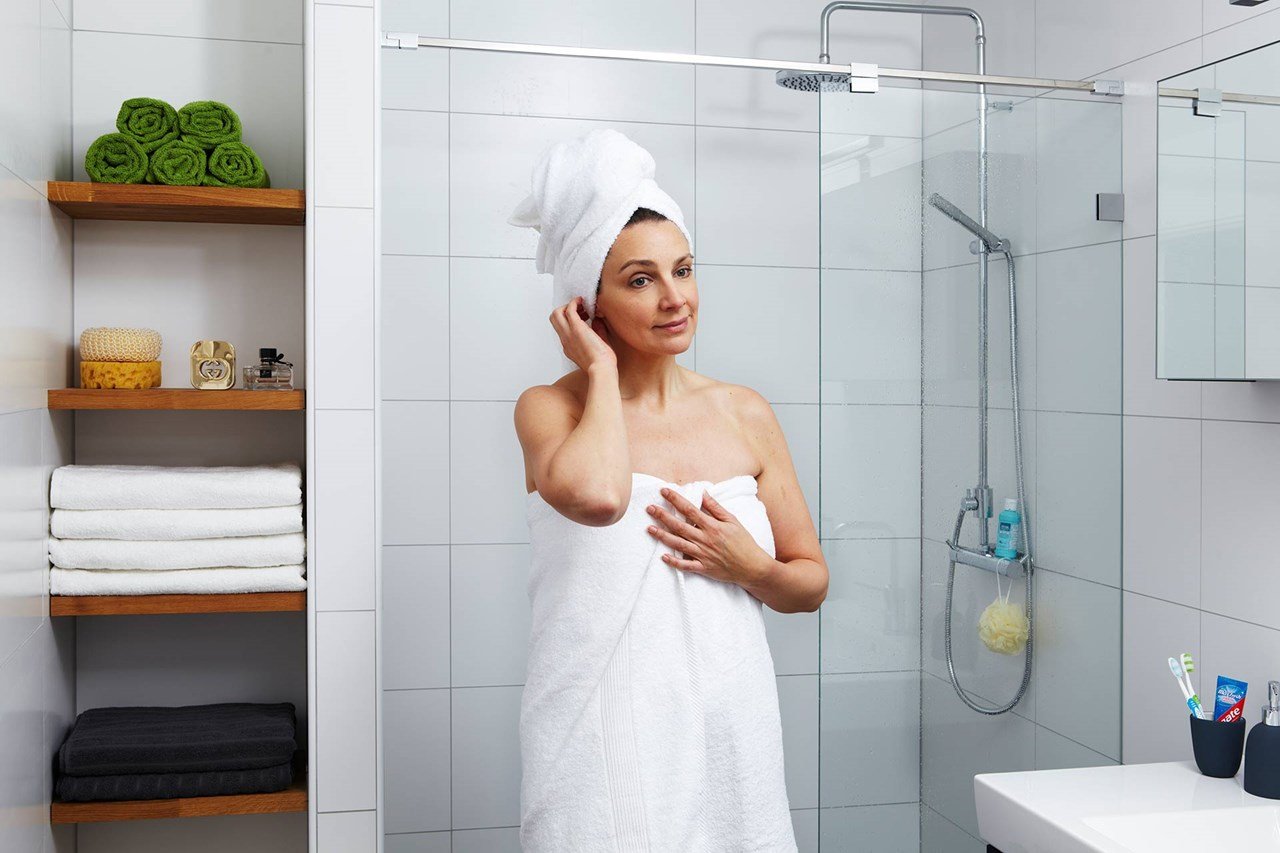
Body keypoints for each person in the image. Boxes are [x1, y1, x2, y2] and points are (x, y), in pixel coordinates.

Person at [510, 128, 828, 852]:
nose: (674, 298)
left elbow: (810, 582)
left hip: (727, 727)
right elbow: (598, 498)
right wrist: (598, 372)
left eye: (682, 270)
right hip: (601, 735)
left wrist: (753, 568)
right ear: (587, 303)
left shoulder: (744, 410)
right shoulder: (549, 409)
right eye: (639, 279)